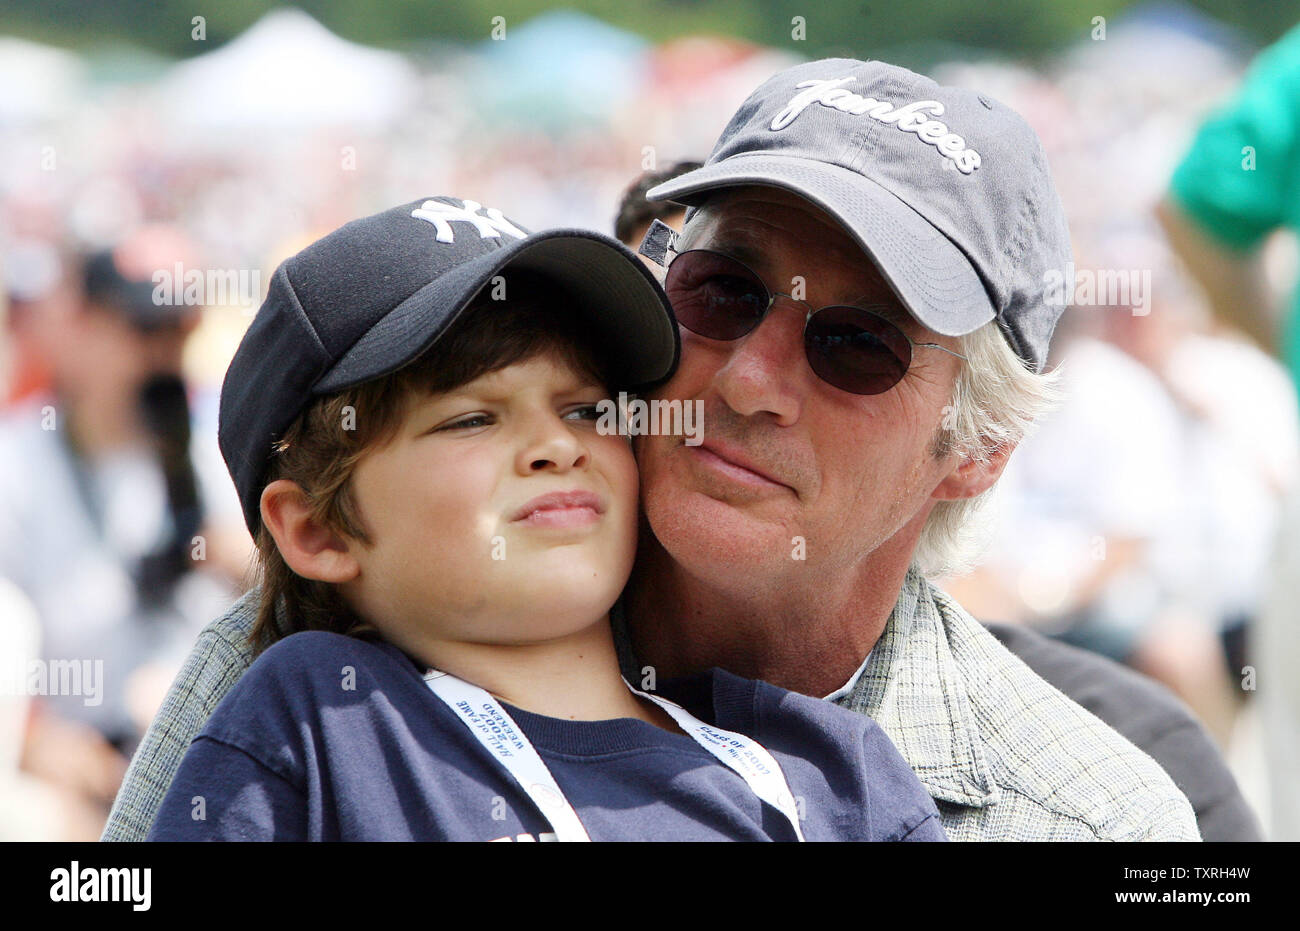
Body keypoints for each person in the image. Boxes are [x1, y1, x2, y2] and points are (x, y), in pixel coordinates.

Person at [108, 59, 1200, 842]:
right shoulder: (310, 680)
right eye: (723, 293)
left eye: (855, 345)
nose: (750, 379)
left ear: (978, 451)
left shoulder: (1088, 820)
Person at [146, 196, 946, 841]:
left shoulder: (833, 782)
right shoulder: (321, 719)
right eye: (472, 419)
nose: (556, 446)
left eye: (590, 409)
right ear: (317, 531)